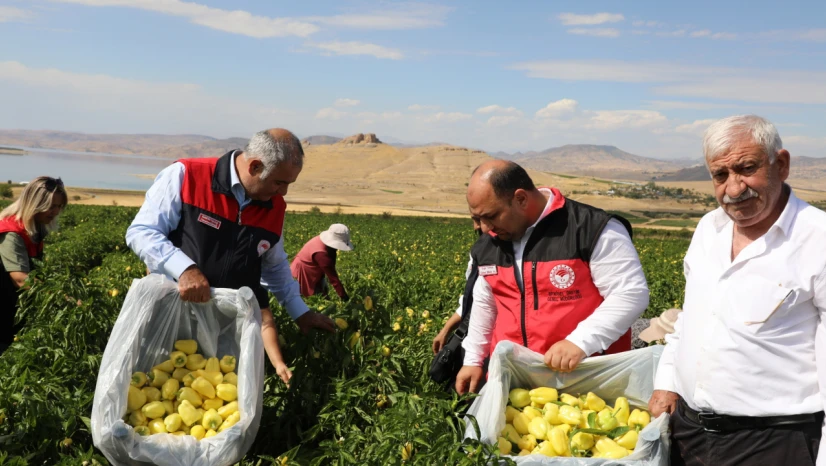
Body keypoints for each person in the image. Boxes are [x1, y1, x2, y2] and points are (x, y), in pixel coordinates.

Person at [648, 115, 825, 465]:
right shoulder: (708, 229)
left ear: (782, 165)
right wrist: (668, 380)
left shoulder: (817, 239)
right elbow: (692, 316)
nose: (733, 188)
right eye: (720, 175)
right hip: (690, 434)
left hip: (774, 444)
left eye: (746, 168)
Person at [126, 129, 336, 385]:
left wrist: (300, 311)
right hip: (171, 314)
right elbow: (143, 232)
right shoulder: (187, 175)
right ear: (255, 166)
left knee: (215, 400)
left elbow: (274, 265)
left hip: (226, 328)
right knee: (157, 387)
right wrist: (185, 269)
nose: (283, 193)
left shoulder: (274, 206)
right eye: (279, 182)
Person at [455, 161, 649, 394]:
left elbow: (630, 294)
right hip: (515, 380)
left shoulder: (591, 229)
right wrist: (473, 360)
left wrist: (579, 342)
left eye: (491, 216)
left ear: (521, 199)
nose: (485, 228)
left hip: (586, 378)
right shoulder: (491, 241)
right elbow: (486, 303)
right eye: (478, 218)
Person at [0, 176, 67, 353]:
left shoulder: (33, 229)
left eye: (59, 206)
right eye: (51, 206)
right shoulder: (12, 231)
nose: (56, 211)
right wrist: (59, 298)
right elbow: (20, 278)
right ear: (35, 203)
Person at [432, 219, 481, 355]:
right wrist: (446, 330)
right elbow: (470, 302)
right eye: (474, 219)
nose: (476, 226)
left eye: (481, 218)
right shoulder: (478, 253)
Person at [290, 224, 353, 300]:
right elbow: (333, 278)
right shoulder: (321, 254)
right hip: (302, 273)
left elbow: (331, 264)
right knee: (308, 301)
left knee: (321, 297)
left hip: (312, 272)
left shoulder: (327, 245)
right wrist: (345, 298)